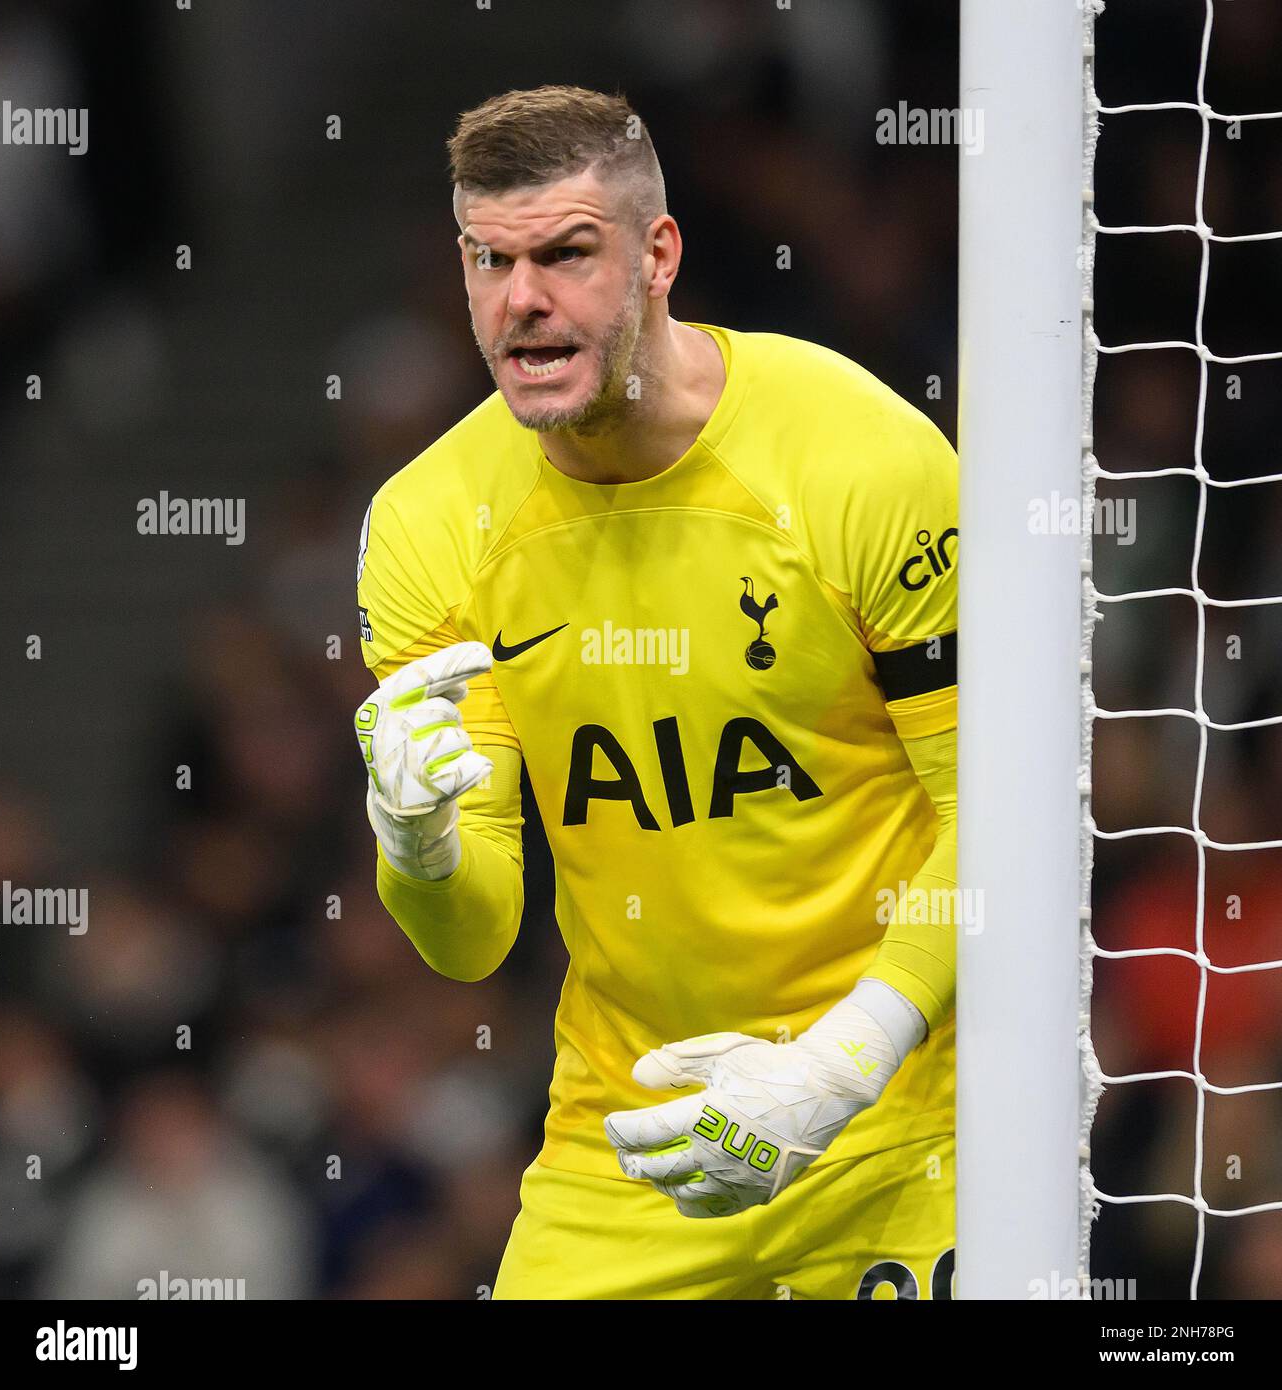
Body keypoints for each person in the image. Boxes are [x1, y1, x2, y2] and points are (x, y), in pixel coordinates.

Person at [353, 84, 957, 1300]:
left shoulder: (859, 458)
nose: (522, 301)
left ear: (657, 255)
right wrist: (416, 845)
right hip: (635, 1145)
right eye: (490, 259)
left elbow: (1001, 809)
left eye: (567, 255)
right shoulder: (426, 526)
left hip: (904, 1117)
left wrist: (840, 1065)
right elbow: (471, 943)